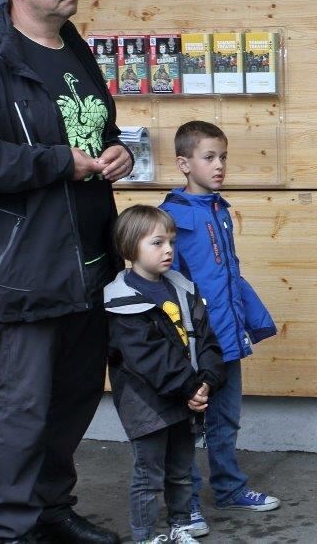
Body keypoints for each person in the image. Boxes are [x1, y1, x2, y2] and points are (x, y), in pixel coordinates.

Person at [0, 0, 133, 544]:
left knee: (78, 392)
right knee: (26, 403)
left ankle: (51, 511)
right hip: (25, 263)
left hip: (91, 256)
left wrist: (117, 154)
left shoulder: (73, 49)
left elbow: (100, 130)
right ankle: (10, 529)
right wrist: (63, 162)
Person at [159, 121, 279, 537]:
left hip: (227, 341)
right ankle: (186, 505)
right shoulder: (171, 215)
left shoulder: (219, 209)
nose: (219, 165)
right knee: (189, 429)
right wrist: (179, 342)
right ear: (183, 163)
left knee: (225, 422)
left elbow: (228, 276)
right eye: (209, 157)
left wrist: (248, 323)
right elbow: (168, 282)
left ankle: (229, 488)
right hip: (194, 346)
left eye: (223, 157)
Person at [105, 206, 226, 544]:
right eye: (157, 242)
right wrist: (190, 386)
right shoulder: (122, 299)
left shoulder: (182, 288)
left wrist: (207, 381)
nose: (169, 250)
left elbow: (205, 339)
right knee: (148, 474)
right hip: (147, 403)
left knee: (181, 471)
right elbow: (149, 357)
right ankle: (144, 537)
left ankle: (180, 527)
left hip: (186, 395)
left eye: (171, 242)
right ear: (131, 246)